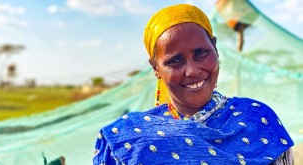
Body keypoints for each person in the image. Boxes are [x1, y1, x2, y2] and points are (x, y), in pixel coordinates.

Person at [92, 4, 293, 165]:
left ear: (215, 49)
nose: (193, 70)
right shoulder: (129, 138)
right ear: (156, 68)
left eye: (201, 53)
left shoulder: (257, 119)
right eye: (175, 61)